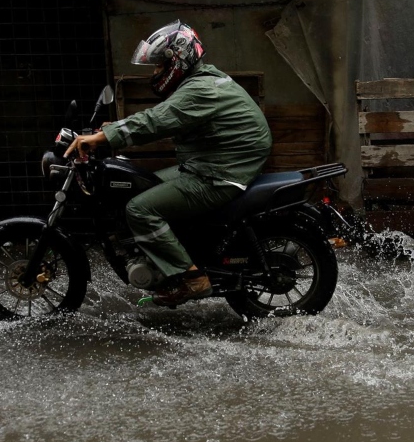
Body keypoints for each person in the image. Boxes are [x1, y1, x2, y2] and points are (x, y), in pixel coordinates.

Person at [65, 20, 272, 306]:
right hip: (212, 163)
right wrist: (110, 131)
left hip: (219, 173)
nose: (156, 72)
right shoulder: (202, 81)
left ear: (178, 59)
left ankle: (192, 278)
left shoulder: (199, 90)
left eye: (160, 65)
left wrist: (105, 137)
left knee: (139, 209)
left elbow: (156, 120)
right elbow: (164, 116)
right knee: (142, 187)